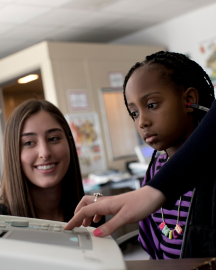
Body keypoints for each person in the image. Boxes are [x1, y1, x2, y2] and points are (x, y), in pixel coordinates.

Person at [65, 51, 216, 259]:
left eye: (152, 105)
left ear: (189, 99)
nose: (142, 122)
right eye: (134, 113)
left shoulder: (212, 167)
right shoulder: (156, 168)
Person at [0, 99, 103, 225]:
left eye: (53, 139)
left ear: (70, 143)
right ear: (14, 154)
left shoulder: (91, 213)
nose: (45, 153)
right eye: (29, 142)